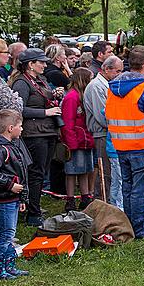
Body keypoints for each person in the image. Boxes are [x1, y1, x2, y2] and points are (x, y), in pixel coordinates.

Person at [106, 46, 144, 240]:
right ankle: (139, 229)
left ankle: (129, 225)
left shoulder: (112, 86)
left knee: (127, 188)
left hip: (120, 145)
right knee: (140, 190)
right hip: (142, 146)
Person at [10, 48, 62, 226]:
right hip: (34, 134)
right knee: (36, 173)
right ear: (30, 65)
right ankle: (33, 214)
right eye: (41, 62)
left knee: (41, 172)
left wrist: (54, 95)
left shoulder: (40, 80)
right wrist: (45, 112)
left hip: (47, 132)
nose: (45, 65)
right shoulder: (21, 83)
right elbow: (18, 108)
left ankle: (35, 205)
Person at [0, 110, 30, 280]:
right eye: (20, 126)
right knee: (6, 235)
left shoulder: (12, 146)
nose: (22, 129)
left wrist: (22, 197)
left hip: (13, 198)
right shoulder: (0, 150)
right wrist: (11, 186)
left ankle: (9, 266)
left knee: (9, 234)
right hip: (3, 198)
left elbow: (21, 174)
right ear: (10, 128)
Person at [83, 55, 125, 208]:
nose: (120, 75)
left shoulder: (107, 84)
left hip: (109, 133)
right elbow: (103, 117)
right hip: (102, 134)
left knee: (111, 174)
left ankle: (108, 204)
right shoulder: (97, 86)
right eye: (117, 71)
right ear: (107, 69)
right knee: (104, 172)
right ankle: (102, 205)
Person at [60, 68, 95, 212]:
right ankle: (70, 200)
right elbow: (67, 123)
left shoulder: (81, 96)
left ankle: (85, 197)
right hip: (76, 141)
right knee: (72, 171)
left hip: (85, 140)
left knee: (85, 169)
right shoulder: (72, 98)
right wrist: (71, 144)